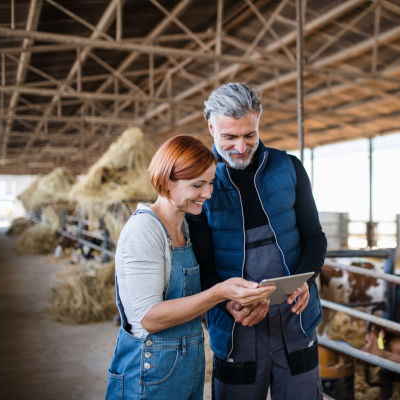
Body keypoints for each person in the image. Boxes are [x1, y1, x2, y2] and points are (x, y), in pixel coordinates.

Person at [105, 135, 274, 400]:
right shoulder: (145, 230)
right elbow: (150, 317)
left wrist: (232, 302)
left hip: (186, 366)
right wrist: (220, 293)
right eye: (198, 185)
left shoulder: (183, 227)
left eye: (209, 183)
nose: (207, 194)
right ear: (167, 180)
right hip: (150, 372)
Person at [187, 83, 327, 400]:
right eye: (229, 137)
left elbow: (314, 237)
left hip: (295, 320)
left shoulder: (289, 169)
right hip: (238, 328)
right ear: (211, 127)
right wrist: (225, 302)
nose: (240, 147)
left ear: (258, 122)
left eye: (249, 135)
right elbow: (201, 265)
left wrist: (305, 280)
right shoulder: (199, 186)